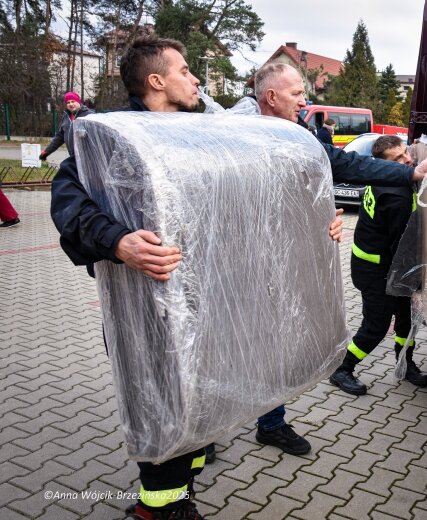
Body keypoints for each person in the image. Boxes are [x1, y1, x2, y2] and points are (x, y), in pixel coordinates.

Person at [50, 36, 343, 520]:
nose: (195, 80)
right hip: (149, 306)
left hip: (209, 300)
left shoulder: (209, 134)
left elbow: (264, 195)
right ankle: (160, 508)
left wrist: (318, 218)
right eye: (185, 71)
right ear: (156, 80)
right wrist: (118, 241)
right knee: (162, 404)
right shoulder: (112, 139)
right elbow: (67, 203)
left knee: (198, 400)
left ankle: (181, 486)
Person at [249, 62, 427, 454]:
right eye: (296, 93)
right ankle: (341, 370)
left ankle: (270, 422)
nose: (304, 101)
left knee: (277, 343)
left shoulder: (297, 135)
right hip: (259, 259)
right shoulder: (246, 136)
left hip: (293, 257)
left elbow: (339, 165)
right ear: (271, 97)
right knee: (258, 342)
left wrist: (319, 216)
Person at [329, 135, 427, 396]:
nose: (407, 160)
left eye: (405, 152)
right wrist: (415, 284)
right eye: (397, 159)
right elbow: (402, 246)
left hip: (380, 264)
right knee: (376, 326)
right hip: (377, 271)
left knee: (406, 318)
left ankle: (405, 364)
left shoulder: (383, 180)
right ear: (384, 165)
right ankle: (342, 369)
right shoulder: (397, 195)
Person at [39, 91, 94, 161]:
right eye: (68, 102)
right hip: (74, 157)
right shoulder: (66, 117)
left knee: (65, 166)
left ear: (79, 102)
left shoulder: (89, 115)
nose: (70, 104)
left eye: (73, 101)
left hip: (89, 157)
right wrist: (47, 151)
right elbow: (60, 136)